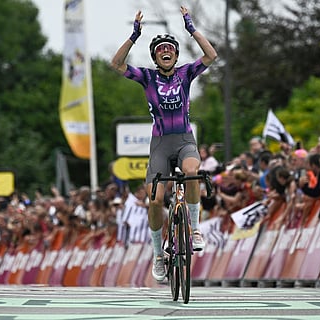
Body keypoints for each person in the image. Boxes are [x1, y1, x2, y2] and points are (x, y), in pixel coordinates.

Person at [111, 6, 217, 281]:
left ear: (176, 55)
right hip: (159, 144)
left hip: (184, 140)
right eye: (160, 49)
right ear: (155, 57)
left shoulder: (185, 74)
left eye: (170, 48)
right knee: (155, 201)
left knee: (193, 172)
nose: (165, 51)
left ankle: (194, 229)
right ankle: (159, 255)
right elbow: (117, 64)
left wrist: (191, 27)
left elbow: (211, 55)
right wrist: (134, 36)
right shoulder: (147, 77)